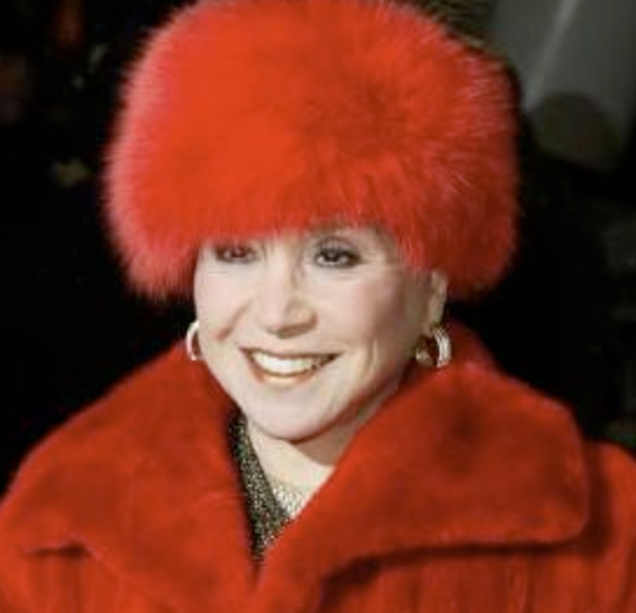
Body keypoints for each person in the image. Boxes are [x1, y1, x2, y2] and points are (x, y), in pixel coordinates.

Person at [1, 0, 635, 611]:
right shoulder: (64, 527)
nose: (277, 313)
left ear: (432, 288)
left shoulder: (594, 540)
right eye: (236, 252)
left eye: (334, 256)